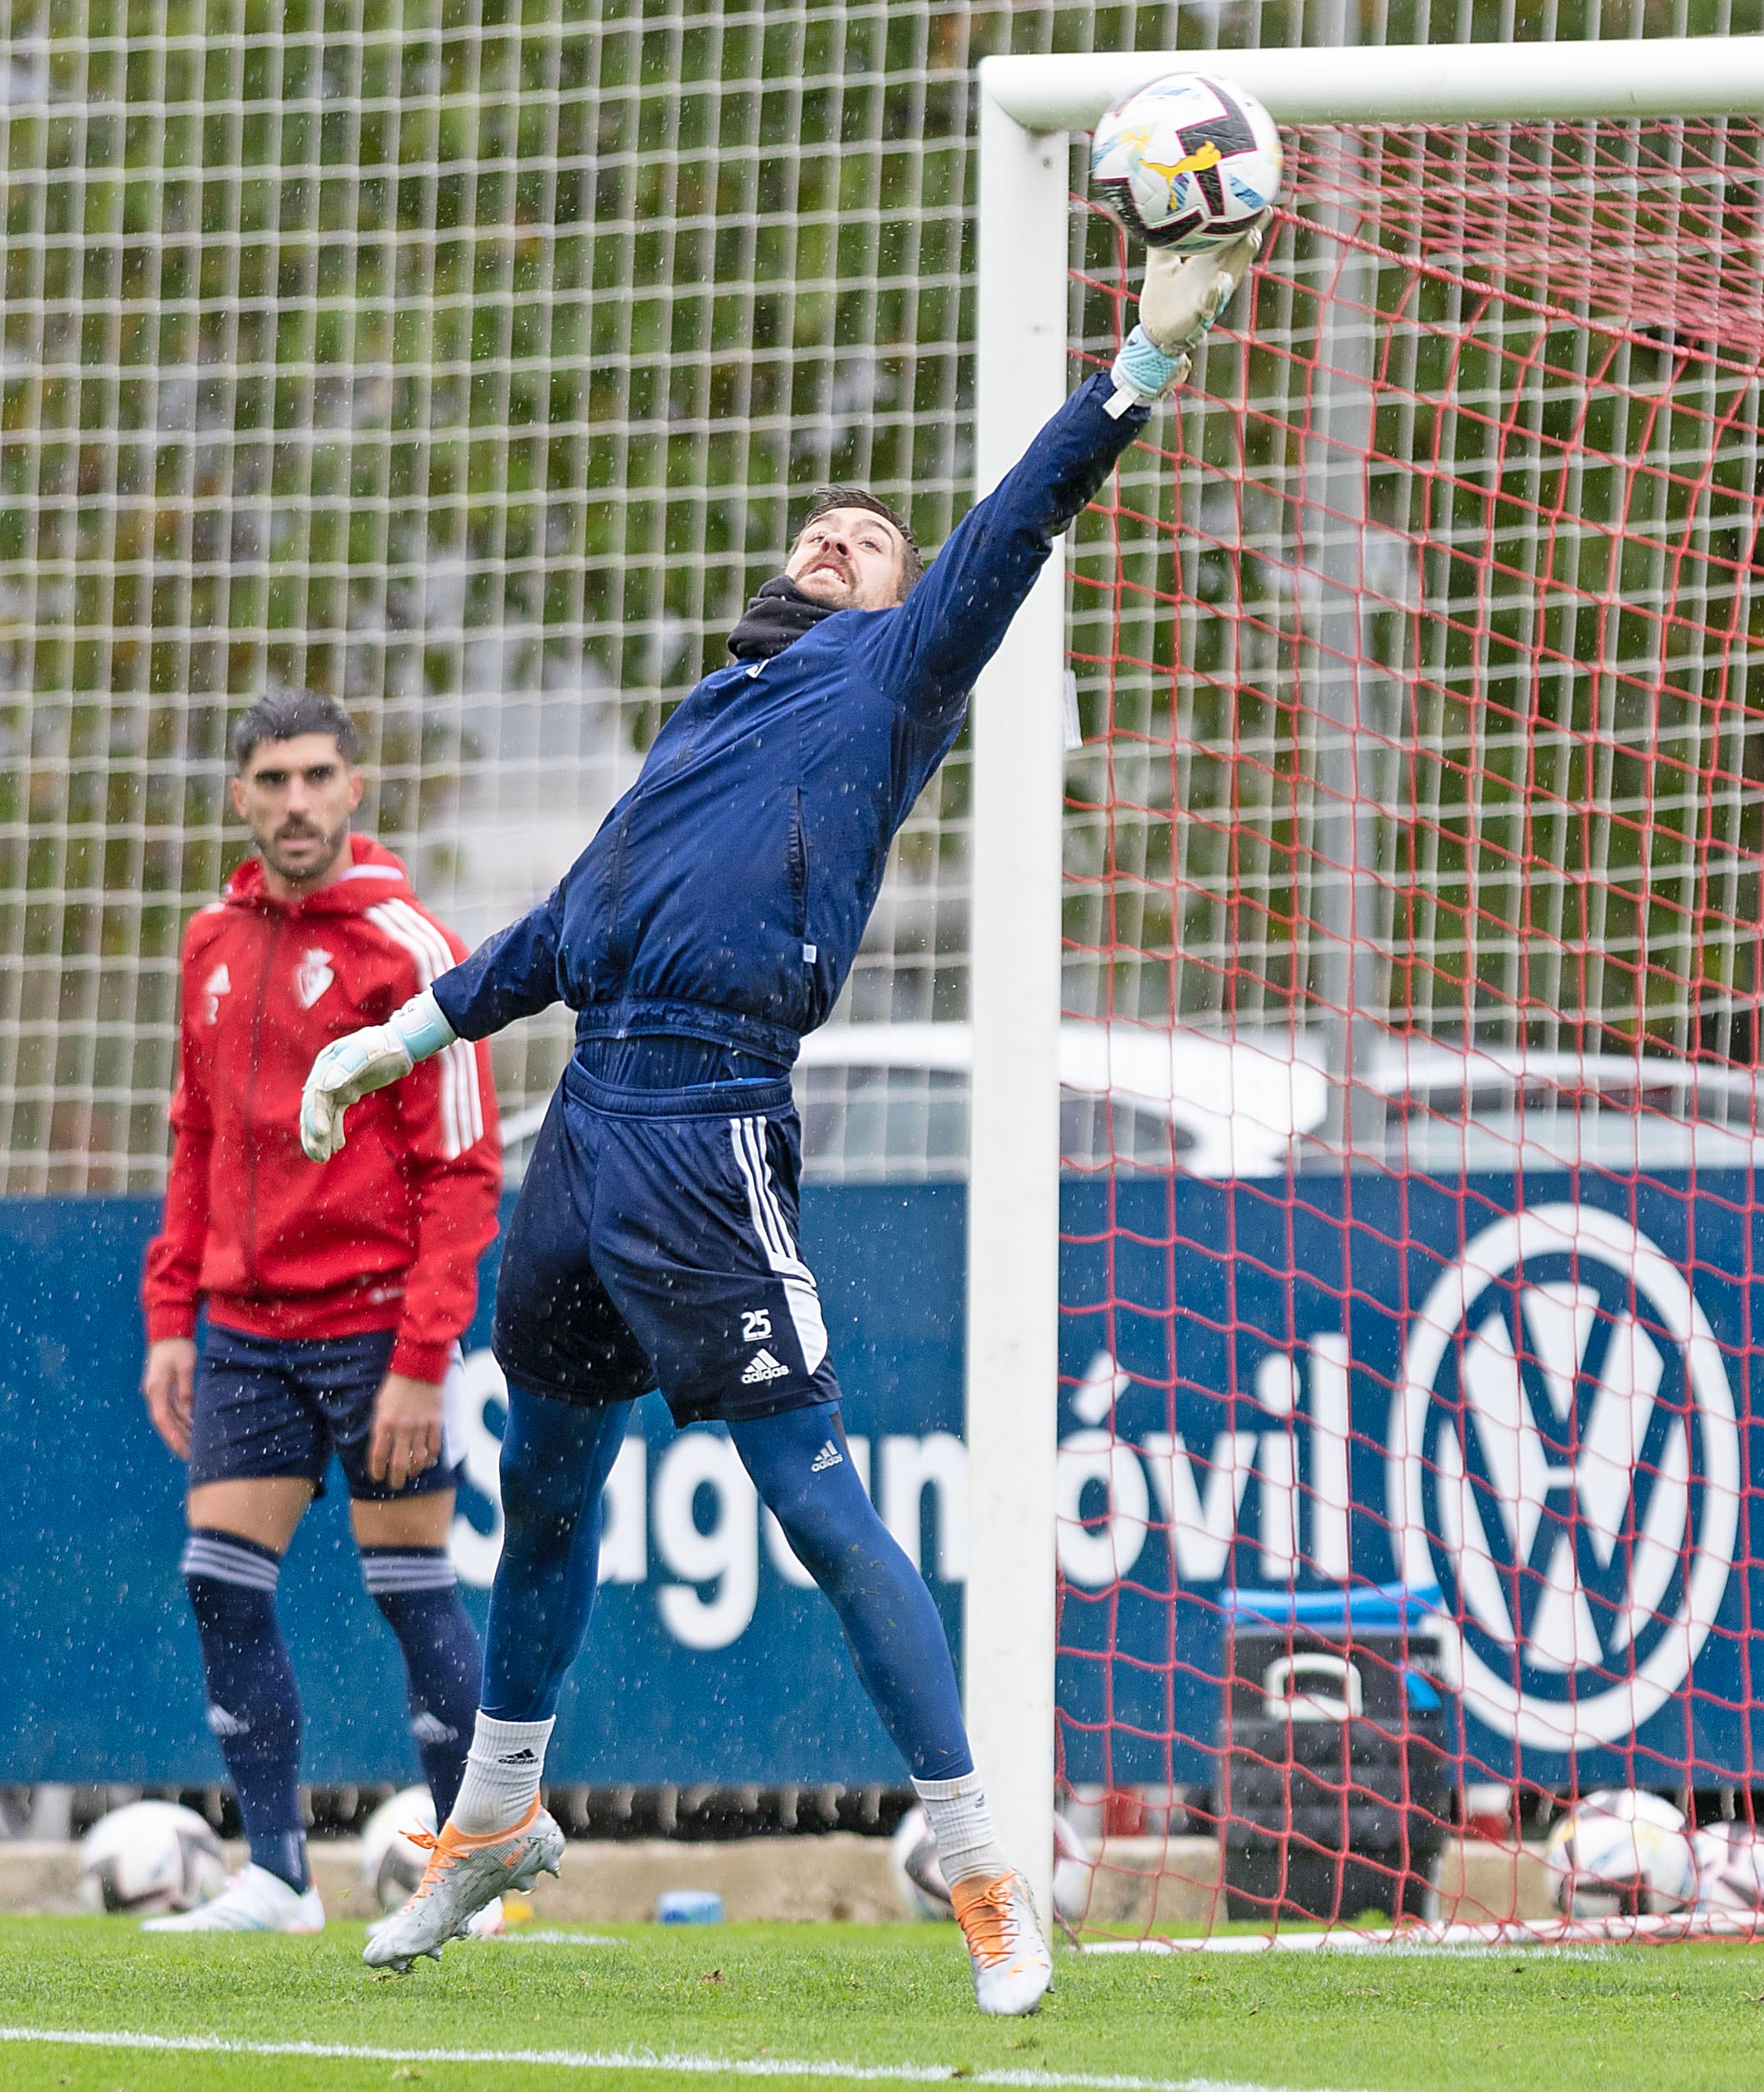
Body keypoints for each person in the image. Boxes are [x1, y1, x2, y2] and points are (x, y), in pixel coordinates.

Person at [299, 233, 1259, 2012]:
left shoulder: (894, 678)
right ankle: (493, 1816)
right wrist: (408, 1031)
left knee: (813, 1493)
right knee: (551, 1479)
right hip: (586, 1122)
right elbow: (576, 917)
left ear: (905, 600)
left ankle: (983, 1862)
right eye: (818, 531)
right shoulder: (712, 706)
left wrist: (1138, 369)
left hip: (712, 1128)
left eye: (869, 540)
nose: (837, 540)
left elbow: (1018, 524)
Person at [139, 690, 502, 1934]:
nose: (294, 802)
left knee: (411, 1587)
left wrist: (422, 1354)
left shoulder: (411, 948)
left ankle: (473, 1878)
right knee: (220, 1582)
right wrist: (171, 1314)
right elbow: (195, 1137)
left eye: (315, 777)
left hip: (376, 1323)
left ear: (355, 789)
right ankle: (279, 1877)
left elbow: (462, 1171)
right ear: (241, 797)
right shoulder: (208, 942)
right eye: (271, 781)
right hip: (243, 1326)